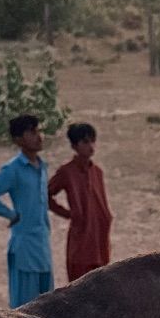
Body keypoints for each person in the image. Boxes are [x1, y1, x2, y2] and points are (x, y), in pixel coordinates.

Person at [0, 115, 54, 306]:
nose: (39, 136)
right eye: (32, 132)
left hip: (43, 244)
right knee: (25, 309)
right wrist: (11, 214)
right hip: (25, 249)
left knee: (50, 307)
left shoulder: (42, 167)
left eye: (39, 131)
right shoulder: (13, 169)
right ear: (19, 140)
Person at [48, 121, 114, 283]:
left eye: (93, 141)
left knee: (102, 286)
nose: (91, 146)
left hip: (100, 239)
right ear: (74, 146)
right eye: (85, 142)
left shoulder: (97, 172)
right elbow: (45, 195)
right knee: (79, 288)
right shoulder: (67, 171)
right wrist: (70, 214)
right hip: (81, 240)